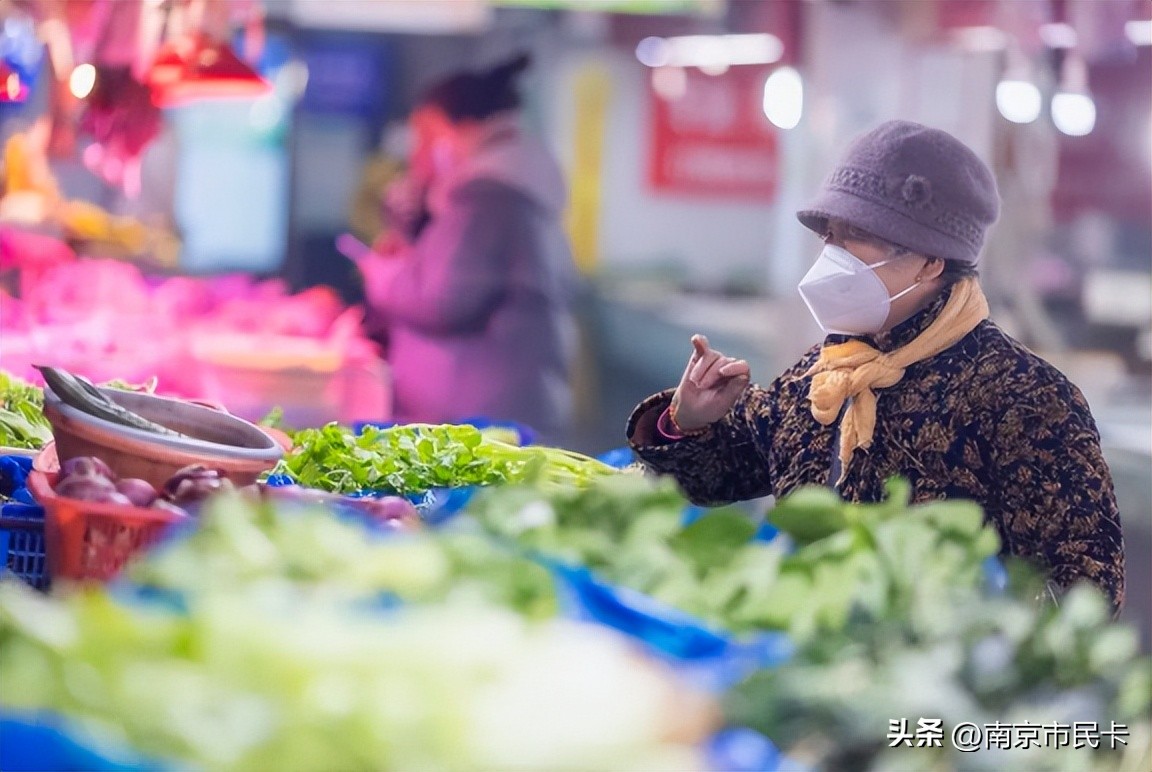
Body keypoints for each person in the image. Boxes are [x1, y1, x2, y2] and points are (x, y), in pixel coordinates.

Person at [626, 120, 1125, 608]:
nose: (831, 256)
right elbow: (721, 476)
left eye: (855, 236)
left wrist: (955, 623)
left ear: (932, 261)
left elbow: (1083, 590)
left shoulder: (1025, 398)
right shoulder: (821, 375)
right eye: (829, 234)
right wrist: (686, 422)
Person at [356, 54, 578, 440]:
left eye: (427, 138)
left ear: (463, 129)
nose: (418, 156)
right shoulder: (505, 188)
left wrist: (382, 274)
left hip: (490, 425)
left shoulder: (486, 194)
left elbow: (442, 299)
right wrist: (413, 226)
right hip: (504, 412)